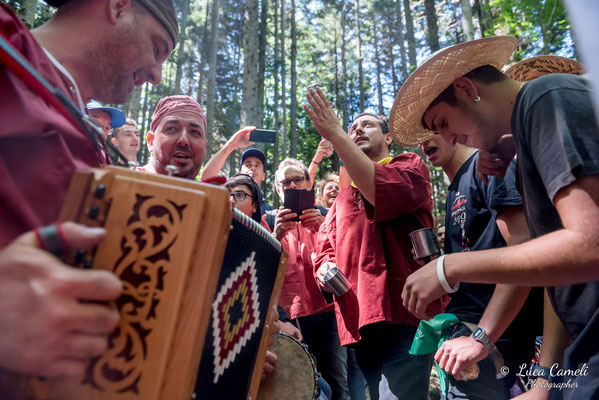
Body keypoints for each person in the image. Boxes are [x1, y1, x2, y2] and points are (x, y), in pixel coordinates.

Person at [392, 37, 599, 399]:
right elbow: (557, 277)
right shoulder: (523, 136)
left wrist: (448, 267)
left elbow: (590, 245)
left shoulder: (546, 96)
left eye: (442, 122)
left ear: (466, 88)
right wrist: (546, 383)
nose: (447, 137)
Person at [0, 0, 177, 380]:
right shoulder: (6, 48)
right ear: (118, 7)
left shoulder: (92, 139)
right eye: (158, 47)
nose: (157, 74)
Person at [305, 88, 445, 400]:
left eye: (366, 125)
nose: (356, 130)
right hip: (358, 320)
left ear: (388, 137)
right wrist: (324, 268)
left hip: (405, 312)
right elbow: (324, 248)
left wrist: (336, 133)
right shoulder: (341, 199)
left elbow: (381, 190)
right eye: (352, 127)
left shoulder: (409, 165)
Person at [418, 134, 541, 399]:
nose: (423, 141)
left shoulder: (488, 166)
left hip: (497, 348)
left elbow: (526, 255)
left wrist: (482, 338)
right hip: (468, 342)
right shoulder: (455, 186)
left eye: (434, 125)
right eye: (419, 136)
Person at [262, 158, 349, 400]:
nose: (292, 186)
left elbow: (347, 255)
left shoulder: (326, 215)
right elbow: (261, 266)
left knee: (336, 380)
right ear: (279, 189)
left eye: (297, 180)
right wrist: (276, 233)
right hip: (288, 315)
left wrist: (324, 226)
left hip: (328, 308)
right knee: (297, 382)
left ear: (308, 183)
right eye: (285, 182)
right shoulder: (269, 220)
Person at [140, 95, 207, 179]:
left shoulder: (210, 192)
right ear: (151, 141)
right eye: (171, 129)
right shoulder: (122, 183)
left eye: (195, 132)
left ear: (205, 146)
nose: (183, 140)